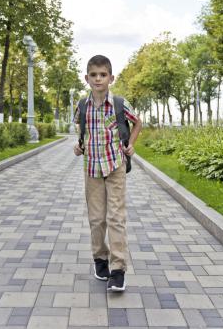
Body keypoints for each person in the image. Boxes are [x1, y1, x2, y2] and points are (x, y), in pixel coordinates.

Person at [73, 55, 142, 292]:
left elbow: (138, 123)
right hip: (91, 168)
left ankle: (118, 269)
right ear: (87, 78)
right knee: (96, 219)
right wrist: (78, 145)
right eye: (94, 75)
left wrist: (130, 144)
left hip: (115, 167)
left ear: (111, 78)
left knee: (115, 217)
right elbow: (80, 129)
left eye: (103, 75)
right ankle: (100, 260)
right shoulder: (82, 106)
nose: (98, 79)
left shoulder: (120, 104)